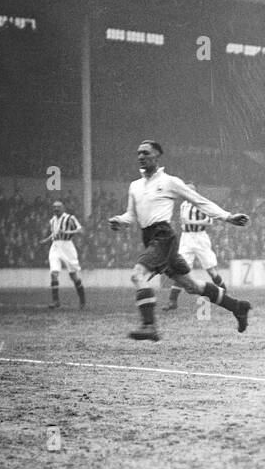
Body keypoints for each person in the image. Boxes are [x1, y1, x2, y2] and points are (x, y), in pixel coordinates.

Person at [108, 140, 252, 341]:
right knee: (192, 286)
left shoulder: (169, 182)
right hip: (150, 238)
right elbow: (131, 215)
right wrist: (119, 221)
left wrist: (227, 216)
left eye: (145, 153)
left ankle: (149, 325)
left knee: (138, 275)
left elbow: (199, 201)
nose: (140, 156)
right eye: (138, 153)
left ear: (157, 155)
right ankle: (238, 307)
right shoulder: (135, 186)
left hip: (163, 237)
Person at [165, 183, 226, 311]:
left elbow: (209, 221)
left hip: (200, 238)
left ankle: (224, 294)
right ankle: (172, 301)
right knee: (180, 269)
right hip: (186, 238)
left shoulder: (201, 204)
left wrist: (191, 222)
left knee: (210, 270)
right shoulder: (183, 205)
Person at [42, 200, 85, 308]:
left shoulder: (70, 218)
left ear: (63, 208)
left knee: (73, 275)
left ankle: (82, 300)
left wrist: (67, 232)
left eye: (58, 207)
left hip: (67, 247)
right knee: (54, 273)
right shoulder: (52, 220)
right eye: (54, 207)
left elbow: (81, 230)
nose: (56, 209)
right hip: (55, 247)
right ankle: (56, 301)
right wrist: (46, 240)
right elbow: (54, 234)